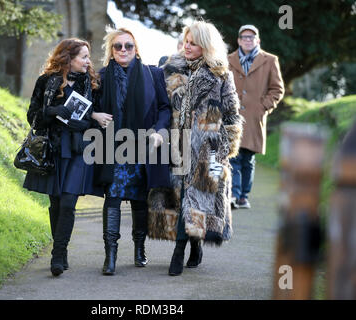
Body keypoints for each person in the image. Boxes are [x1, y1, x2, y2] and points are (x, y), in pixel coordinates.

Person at [149, 20, 244, 276]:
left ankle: (185, 249)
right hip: (176, 146)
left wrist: (225, 148)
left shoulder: (221, 73)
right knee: (180, 198)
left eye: (194, 43)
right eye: (186, 42)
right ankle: (187, 245)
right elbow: (161, 106)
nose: (187, 47)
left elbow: (232, 114)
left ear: (205, 45)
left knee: (198, 199)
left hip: (208, 148)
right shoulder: (170, 69)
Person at [91, 26, 171, 275]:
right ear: (111, 51)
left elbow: (165, 107)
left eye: (128, 46)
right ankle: (110, 256)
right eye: (118, 46)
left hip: (144, 146)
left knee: (139, 200)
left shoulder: (152, 74)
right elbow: (87, 107)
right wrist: (94, 114)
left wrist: (159, 131)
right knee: (113, 198)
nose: (123, 50)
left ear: (136, 49)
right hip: (112, 147)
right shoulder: (101, 77)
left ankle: (139, 249)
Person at [23, 38, 103, 277]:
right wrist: (55, 111)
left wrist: (89, 120)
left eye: (88, 57)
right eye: (84, 57)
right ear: (68, 58)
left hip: (78, 149)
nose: (89, 62)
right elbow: (33, 117)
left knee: (68, 202)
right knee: (56, 203)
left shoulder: (91, 83)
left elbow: (94, 119)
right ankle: (61, 252)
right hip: (53, 149)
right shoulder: (46, 81)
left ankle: (58, 254)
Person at [228, 25, 284, 209]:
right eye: (244, 37)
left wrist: (263, 107)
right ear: (238, 40)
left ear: (257, 40)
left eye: (251, 37)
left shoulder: (269, 60)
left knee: (248, 159)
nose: (247, 40)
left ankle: (244, 195)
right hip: (233, 116)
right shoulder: (229, 60)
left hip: (254, 118)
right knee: (233, 156)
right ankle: (234, 195)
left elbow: (277, 89)